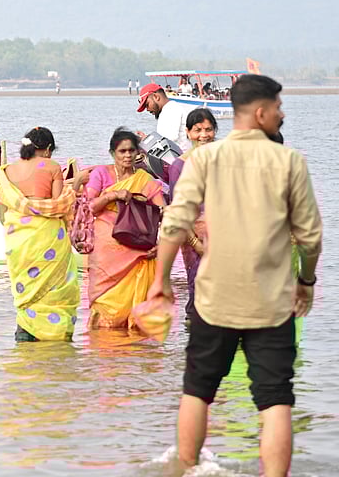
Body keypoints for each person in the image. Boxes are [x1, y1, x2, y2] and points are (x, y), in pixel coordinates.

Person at [149, 74, 322, 475]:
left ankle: (187, 469)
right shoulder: (289, 161)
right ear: (260, 112)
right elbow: (310, 236)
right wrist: (306, 282)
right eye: (278, 107)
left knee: (198, 390)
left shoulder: (205, 159)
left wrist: (160, 281)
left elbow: (175, 222)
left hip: (215, 298)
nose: (281, 114)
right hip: (271, 301)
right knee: (275, 399)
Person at [0, 127, 85, 341]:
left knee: (26, 289)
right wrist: (76, 184)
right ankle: (54, 338)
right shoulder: (52, 167)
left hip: (18, 238)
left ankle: (25, 334)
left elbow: (3, 214)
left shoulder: (6, 171)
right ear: (48, 149)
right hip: (46, 236)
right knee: (56, 288)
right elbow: (58, 206)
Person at [83, 128, 166, 330]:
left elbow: (164, 212)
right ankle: (104, 347)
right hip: (105, 254)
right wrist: (112, 196)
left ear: (138, 152)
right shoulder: (101, 174)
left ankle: (133, 347)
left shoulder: (145, 180)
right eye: (122, 151)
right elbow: (89, 207)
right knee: (104, 311)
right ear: (113, 153)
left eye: (131, 150)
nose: (127, 155)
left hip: (138, 251)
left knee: (136, 319)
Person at [165, 108, 218, 318]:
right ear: (188, 133)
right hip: (195, 240)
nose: (204, 135)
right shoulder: (180, 167)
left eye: (208, 129)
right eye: (198, 130)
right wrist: (196, 244)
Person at [136, 83, 197, 152]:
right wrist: (147, 139)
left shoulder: (170, 110)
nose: (147, 109)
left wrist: (146, 142)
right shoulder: (170, 108)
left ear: (156, 97)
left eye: (147, 105)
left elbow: (166, 142)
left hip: (180, 156)